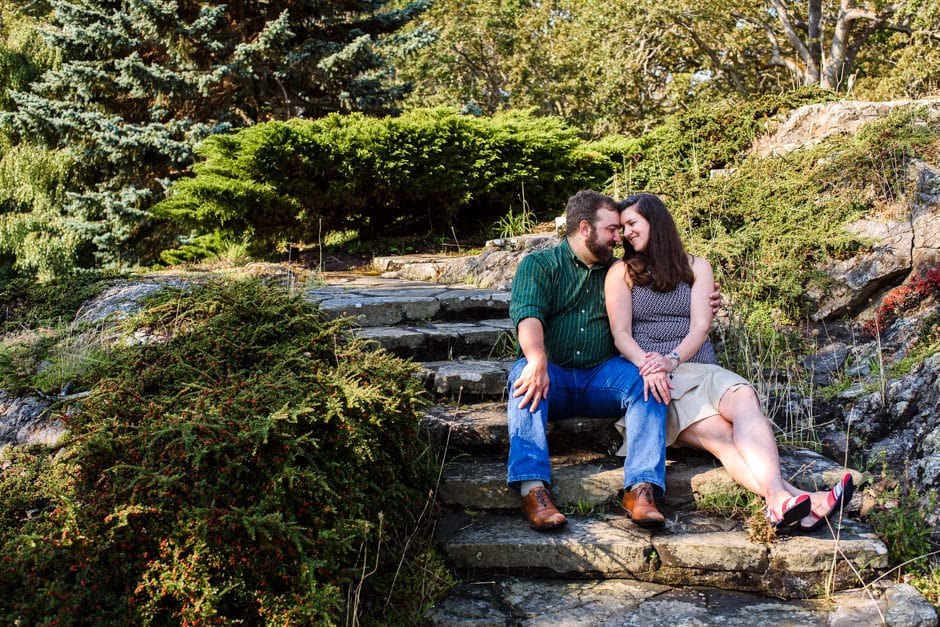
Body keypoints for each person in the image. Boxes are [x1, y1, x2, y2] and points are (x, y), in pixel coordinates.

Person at [604, 192, 853, 532]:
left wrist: (673, 358)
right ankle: (794, 500)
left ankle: (782, 500)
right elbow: (620, 333)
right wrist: (651, 364)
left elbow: (700, 327)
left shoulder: (696, 267)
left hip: (699, 367)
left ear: (655, 221)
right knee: (721, 435)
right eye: (623, 227)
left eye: (633, 223)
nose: (627, 233)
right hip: (657, 379)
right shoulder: (621, 272)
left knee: (744, 399)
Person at [506, 189, 721, 531]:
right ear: (585, 228)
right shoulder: (540, 265)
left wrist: (707, 299)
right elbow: (528, 316)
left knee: (645, 381)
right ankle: (533, 489)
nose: (618, 237)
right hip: (554, 375)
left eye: (621, 229)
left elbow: (664, 288)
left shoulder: (619, 269)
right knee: (523, 375)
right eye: (611, 230)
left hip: (601, 376)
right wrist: (536, 358)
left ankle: (641, 488)